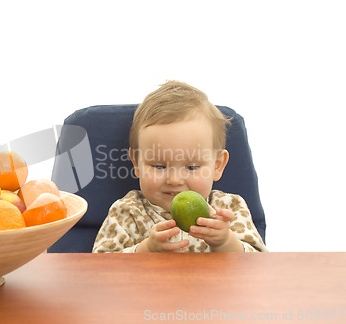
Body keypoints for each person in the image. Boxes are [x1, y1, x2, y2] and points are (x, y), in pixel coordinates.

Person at [92, 81, 268, 253]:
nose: (174, 180)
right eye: (159, 166)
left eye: (191, 167)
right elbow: (98, 267)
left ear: (217, 165)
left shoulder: (229, 209)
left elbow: (258, 266)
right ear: (136, 163)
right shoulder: (127, 211)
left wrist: (225, 242)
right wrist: (145, 250)